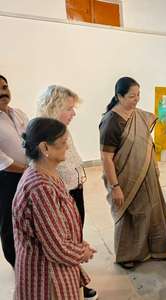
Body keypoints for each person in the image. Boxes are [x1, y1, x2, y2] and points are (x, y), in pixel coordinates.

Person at [13, 117, 96, 300]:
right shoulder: (41, 188)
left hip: (53, 267)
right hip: (46, 277)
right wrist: (82, 252)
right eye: (63, 142)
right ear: (45, 148)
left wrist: (78, 245)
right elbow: (57, 248)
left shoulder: (46, 173)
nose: (67, 147)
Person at [99, 77, 166, 269]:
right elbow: (106, 158)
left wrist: (156, 164)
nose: (137, 99)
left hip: (147, 173)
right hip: (125, 176)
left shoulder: (139, 115)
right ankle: (128, 255)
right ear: (119, 96)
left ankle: (156, 248)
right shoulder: (110, 122)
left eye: (138, 95)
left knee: (151, 208)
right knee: (131, 214)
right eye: (132, 96)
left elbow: (147, 141)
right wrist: (115, 187)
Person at [37, 85, 98, 300]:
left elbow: (71, 158)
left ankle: (78, 281)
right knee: (65, 242)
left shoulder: (61, 127)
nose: (74, 113)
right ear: (55, 106)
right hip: (60, 194)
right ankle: (72, 284)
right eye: (69, 108)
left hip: (74, 188)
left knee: (75, 233)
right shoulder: (44, 131)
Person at [0, 74, 28, 268]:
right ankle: (17, 265)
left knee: (28, 218)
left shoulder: (18, 113)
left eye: (5, 87)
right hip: (6, 180)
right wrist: (27, 170)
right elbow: (2, 161)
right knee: (9, 224)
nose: (3, 92)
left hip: (27, 175)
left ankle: (30, 260)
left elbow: (32, 138)